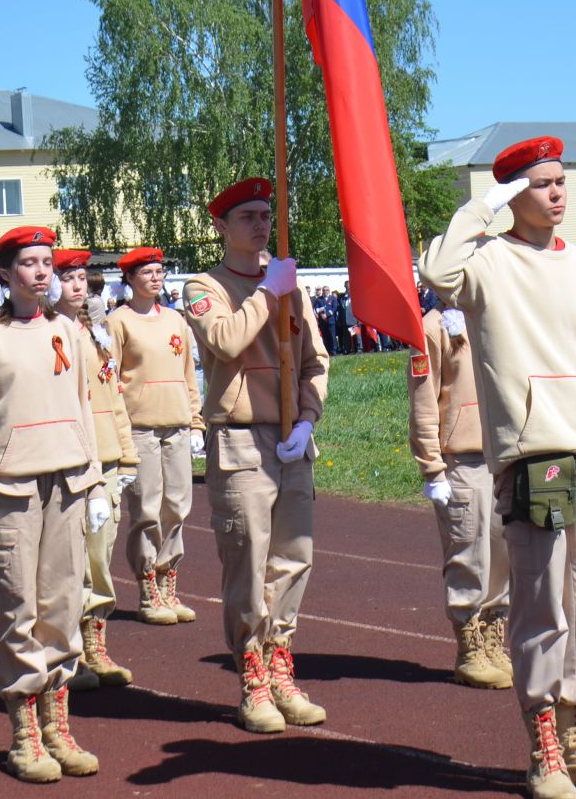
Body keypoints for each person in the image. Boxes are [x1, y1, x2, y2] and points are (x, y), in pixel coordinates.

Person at [420, 136, 576, 798]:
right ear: (515, 194)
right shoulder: (487, 264)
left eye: (560, 181)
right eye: (541, 183)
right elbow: (437, 271)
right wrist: (482, 206)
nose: (556, 193)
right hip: (535, 450)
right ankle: (543, 738)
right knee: (543, 600)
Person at [0, 226, 112, 782]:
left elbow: (84, 407)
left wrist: (93, 481)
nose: (43, 272)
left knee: (64, 604)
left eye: (48, 262)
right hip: (12, 491)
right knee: (20, 609)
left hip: (67, 484)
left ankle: (57, 725)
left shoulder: (68, 329)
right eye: (29, 263)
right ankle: (24, 732)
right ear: (4, 273)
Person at [182, 177, 331, 735]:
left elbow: (316, 362)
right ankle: (252, 673)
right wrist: (268, 292)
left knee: (294, 557)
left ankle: (281, 662)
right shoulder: (205, 285)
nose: (261, 224)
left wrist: (309, 418)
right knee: (247, 560)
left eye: (266, 214)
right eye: (247, 216)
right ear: (221, 227)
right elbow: (224, 340)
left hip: (290, 437)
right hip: (240, 438)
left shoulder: (289, 285)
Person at [411, 298, 512, 689]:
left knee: (503, 553)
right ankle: (470, 648)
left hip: (502, 455)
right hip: (461, 459)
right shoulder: (433, 327)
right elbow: (423, 399)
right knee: (468, 553)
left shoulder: (493, 314)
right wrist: (431, 465)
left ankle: (492, 639)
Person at [54, 247, 138, 688]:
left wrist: (126, 454)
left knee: (101, 554)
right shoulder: (50, 333)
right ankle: (71, 649)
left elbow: (113, 398)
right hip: (71, 461)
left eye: (82, 276)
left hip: (105, 457)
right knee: (73, 559)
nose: (78, 284)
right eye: (67, 276)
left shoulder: (96, 332)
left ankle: (95, 642)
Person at [111, 246, 205, 627]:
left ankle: (169, 581)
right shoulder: (119, 322)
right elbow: (111, 380)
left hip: (177, 424)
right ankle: (148, 584)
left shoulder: (176, 321)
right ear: (130, 279)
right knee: (147, 509)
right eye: (147, 272)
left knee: (177, 506)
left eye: (159, 270)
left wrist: (196, 421)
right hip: (140, 427)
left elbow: (189, 374)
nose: (155, 277)